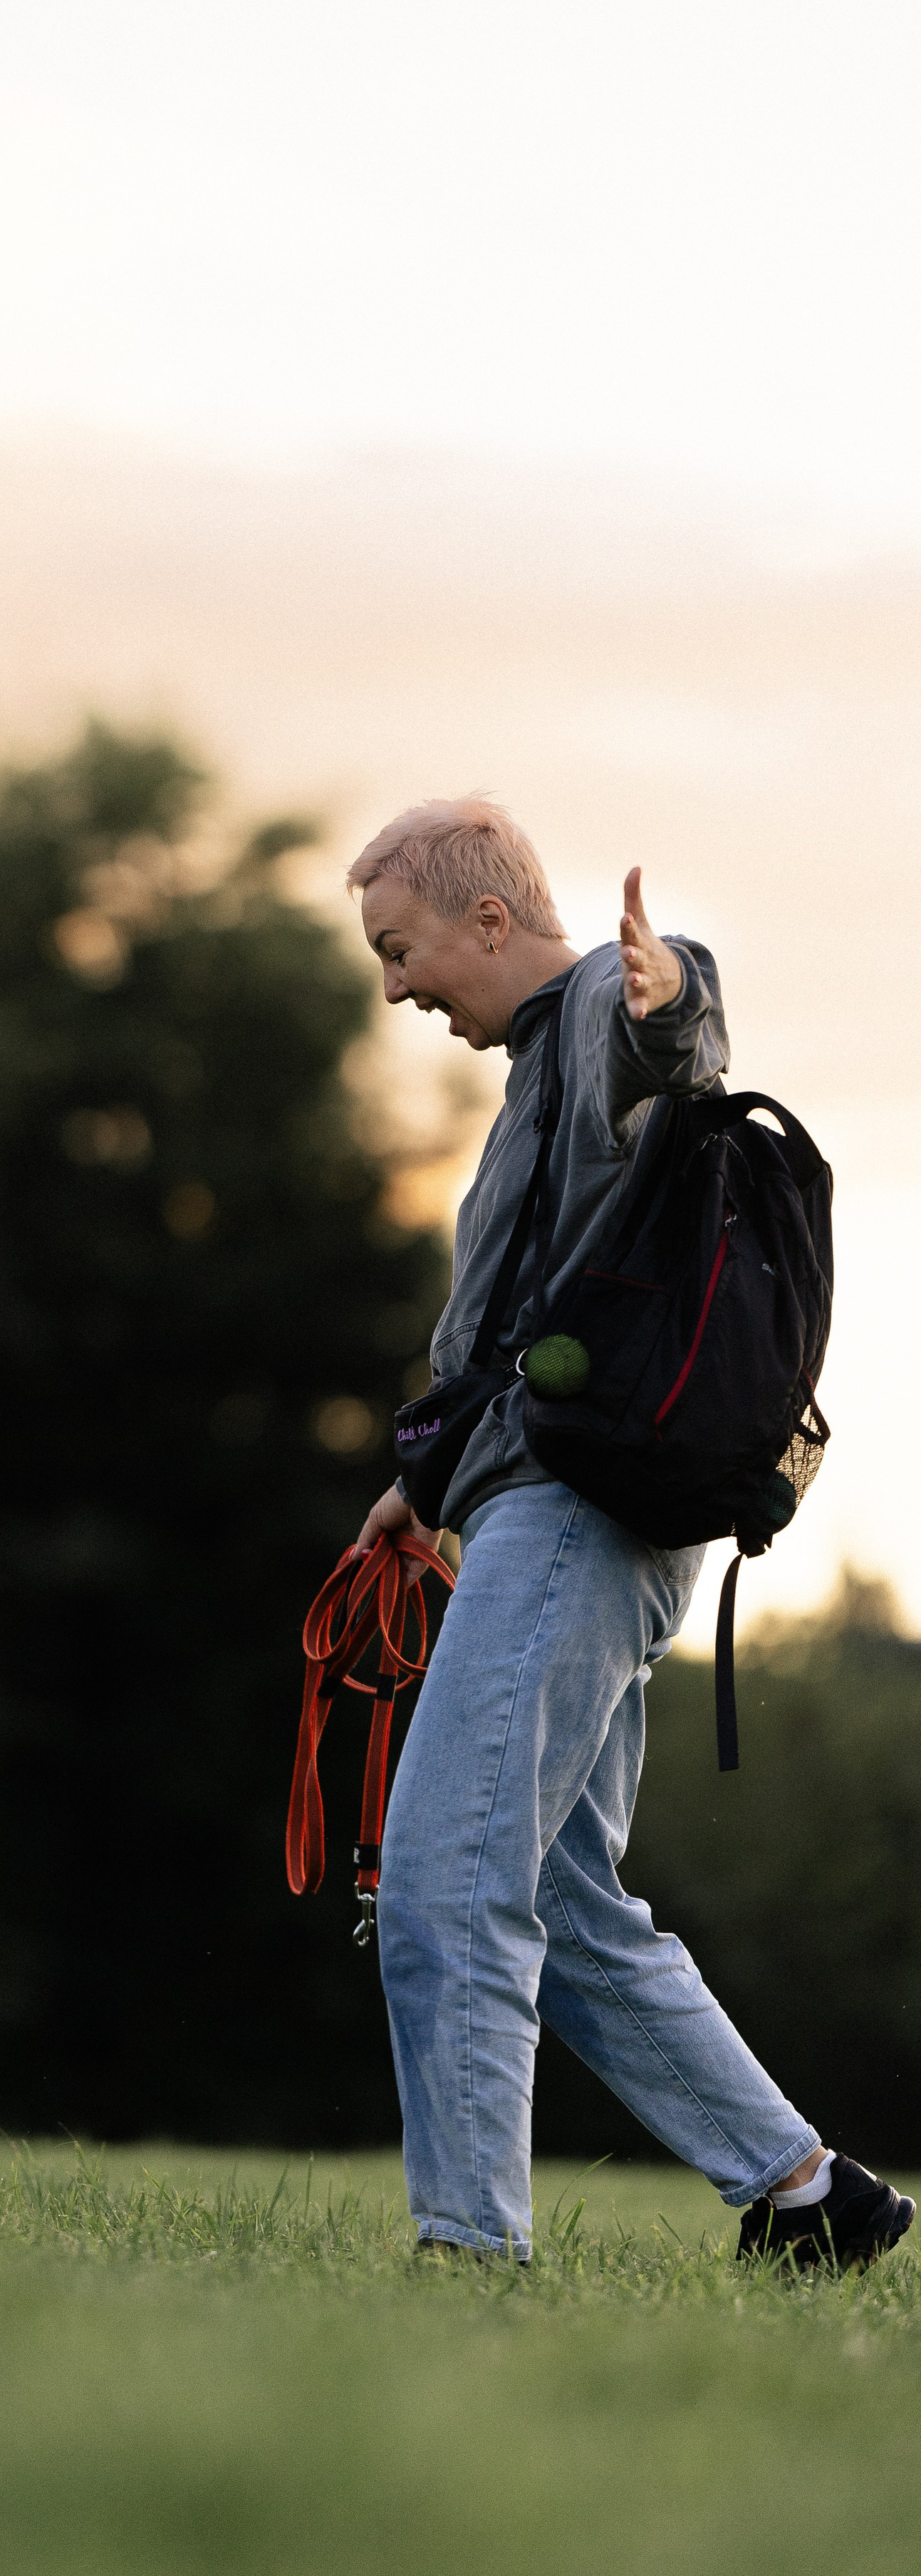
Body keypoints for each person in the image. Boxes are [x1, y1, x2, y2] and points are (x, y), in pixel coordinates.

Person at [347, 795, 912, 2270]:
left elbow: (670, 1023)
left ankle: (466, 2252)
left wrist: (673, 997)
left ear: (486, 919)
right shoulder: (535, 1071)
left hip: (575, 1522)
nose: (394, 986)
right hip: (559, 1511)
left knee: (444, 1880)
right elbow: (528, 1324)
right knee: (553, 1894)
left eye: (401, 949)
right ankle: (807, 2193)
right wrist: (424, 1480)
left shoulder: (599, 1003)